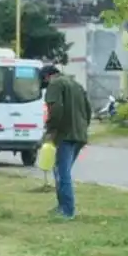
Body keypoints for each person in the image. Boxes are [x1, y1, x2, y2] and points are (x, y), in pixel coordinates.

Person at [40, 64, 91, 220]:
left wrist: (51, 130)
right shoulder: (76, 85)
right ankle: (62, 207)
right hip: (79, 134)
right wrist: (83, 128)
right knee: (61, 171)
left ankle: (67, 210)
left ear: (47, 76)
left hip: (64, 135)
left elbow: (55, 109)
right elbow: (88, 110)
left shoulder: (55, 84)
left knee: (62, 173)